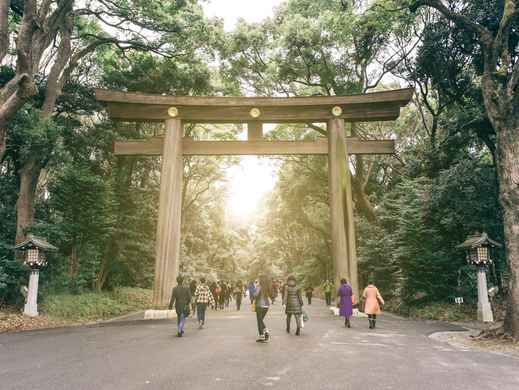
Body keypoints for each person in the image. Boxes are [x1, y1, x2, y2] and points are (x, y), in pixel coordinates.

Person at [254, 275, 272, 342]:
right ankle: (261, 336)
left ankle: (266, 332)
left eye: (259, 279)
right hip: (266, 306)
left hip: (260, 305)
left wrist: (256, 287)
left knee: (259, 321)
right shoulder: (267, 286)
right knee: (260, 320)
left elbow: (255, 295)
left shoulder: (259, 286)